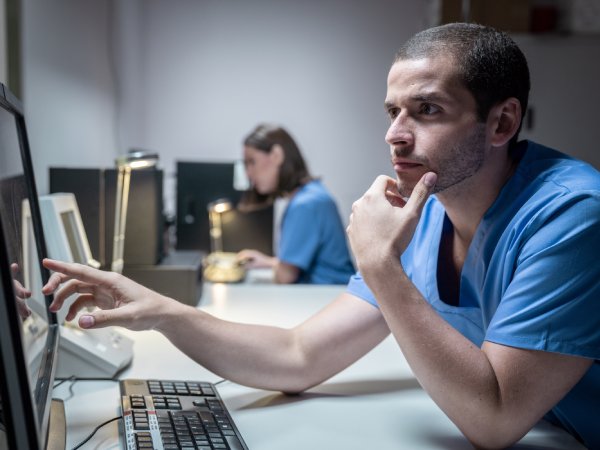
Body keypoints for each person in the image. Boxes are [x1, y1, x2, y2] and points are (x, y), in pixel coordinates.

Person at [42, 23, 599, 449]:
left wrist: (382, 267)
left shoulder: (573, 215)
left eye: (426, 110)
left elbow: (494, 418)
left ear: (501, 123)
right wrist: (162, 313)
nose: (394, 136)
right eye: (392, 111)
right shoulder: (426, 213)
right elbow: (299, 354)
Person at [236, 123, 355, 284]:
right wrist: (268, 262)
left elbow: (285, 277)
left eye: (252, 162)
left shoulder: (304, 205)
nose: (248, 173)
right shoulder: (313, 195)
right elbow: (297, 266)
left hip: (326, 296)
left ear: (276, 155)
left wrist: (277, 268)